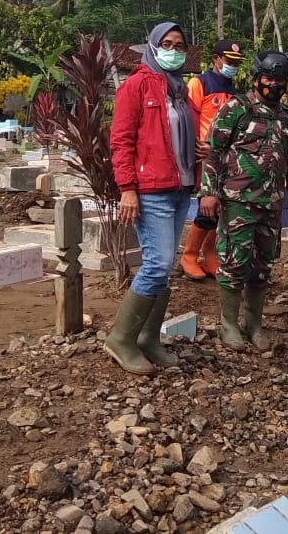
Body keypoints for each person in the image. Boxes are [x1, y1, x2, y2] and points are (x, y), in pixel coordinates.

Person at [198, 50, 288, 351]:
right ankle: (229, 324)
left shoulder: (287, 117)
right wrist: (208, 192)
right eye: (269, 78)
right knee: (234, 263)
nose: (274, 85)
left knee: (262, 267)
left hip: (272, 205)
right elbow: (214, 152)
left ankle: (254, 323)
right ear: (257, 78)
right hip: (238, 202)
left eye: (280, 80)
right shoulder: (237, 108)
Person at [105, 22, 198, 376]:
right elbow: (121, 141)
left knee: (164, 266)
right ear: (153, 46)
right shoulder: (136, 85)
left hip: (179, 188)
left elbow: (175, 138)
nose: (174, 50)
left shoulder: (179, 91)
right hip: (150, 190)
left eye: (180, 44)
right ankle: (120, 338)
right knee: (157, 264)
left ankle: (147, 338)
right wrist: (127, 188)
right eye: (167, 43)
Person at [177, 38, 244, 282]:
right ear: (216, 59)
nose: (233, 65)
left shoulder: (234, 90)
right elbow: (189, 118)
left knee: (222, 207)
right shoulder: (199, 83)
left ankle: (211, 254)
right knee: (207, 207)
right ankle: (189, 255)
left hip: (228, 157)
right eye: (230, 61)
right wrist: (196, 148)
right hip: (207, 154)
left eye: (237, 62)